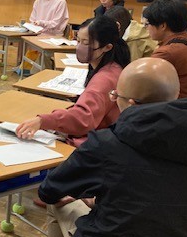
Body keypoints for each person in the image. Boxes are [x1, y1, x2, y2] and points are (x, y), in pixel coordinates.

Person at [37, 58, 187, 237]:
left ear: (129, 103)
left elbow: (48, 191)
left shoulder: (107, 144)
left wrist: (90, 197)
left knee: (56, 205)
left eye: (114, 96)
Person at [16, 16, 130, 148]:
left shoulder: (104, 78)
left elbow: (83, 118)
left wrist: (43, 121)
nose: (79, 46)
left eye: (86, 43)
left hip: (93, 145)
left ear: (107, 47)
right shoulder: (113, 67)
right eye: (78, 40)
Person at [18, 0, 70, 74]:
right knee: (26, 42)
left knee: (43, 51)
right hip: (38, 33)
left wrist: (41, 23)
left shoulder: (60, 1)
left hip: (53, 36)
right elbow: (33, 18)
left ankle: (42, 71)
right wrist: (33, 25)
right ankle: (27, 69)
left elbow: (55, 23)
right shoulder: (39, 1)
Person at [142, 0, 187, 98]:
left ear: (162, 26)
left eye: (147, 24)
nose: (145, 28)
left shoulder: (166, 53)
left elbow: (143, 83)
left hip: (176, 105)